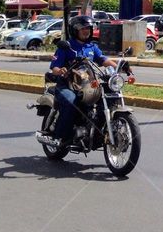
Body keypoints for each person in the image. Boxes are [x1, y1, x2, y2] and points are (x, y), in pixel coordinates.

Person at [39, 15, 117, 147]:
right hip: (67, 85)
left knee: (109, 97)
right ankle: (61, 136)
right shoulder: (66, 47)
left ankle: (98, 131)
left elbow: (103, 60)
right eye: (83, 28)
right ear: (75, 30)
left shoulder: (91, 47)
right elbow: (54, 67)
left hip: (87, 85)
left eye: (88, 28)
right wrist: (60, 70)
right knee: (71, 101)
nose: (86, 30)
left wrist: (120, 66)